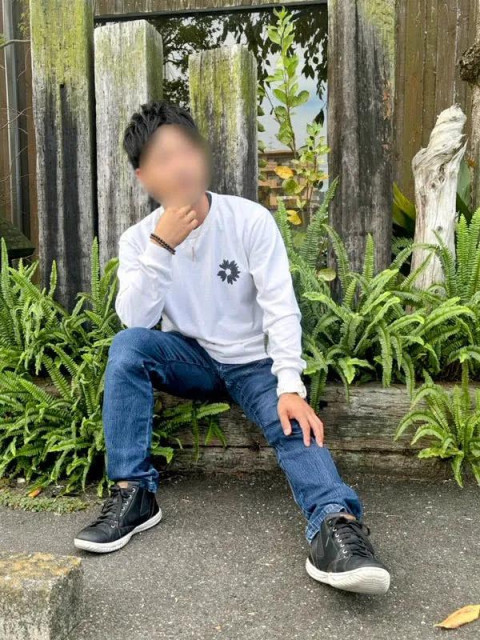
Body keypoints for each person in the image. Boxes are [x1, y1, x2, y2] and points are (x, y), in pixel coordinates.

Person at [73, 100, 390, 595]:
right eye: (163, 158)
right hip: (191, 358)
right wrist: (162, 246)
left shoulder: (248, 220)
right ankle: (134, 493)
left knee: (290, 421)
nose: (180, 166)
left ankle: (335, 524)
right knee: (128, 346)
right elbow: (136, 320)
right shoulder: (138, 240)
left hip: (253, 363)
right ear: (144, 177)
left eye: (186, 151)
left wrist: (290, 384)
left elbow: (281, 306)